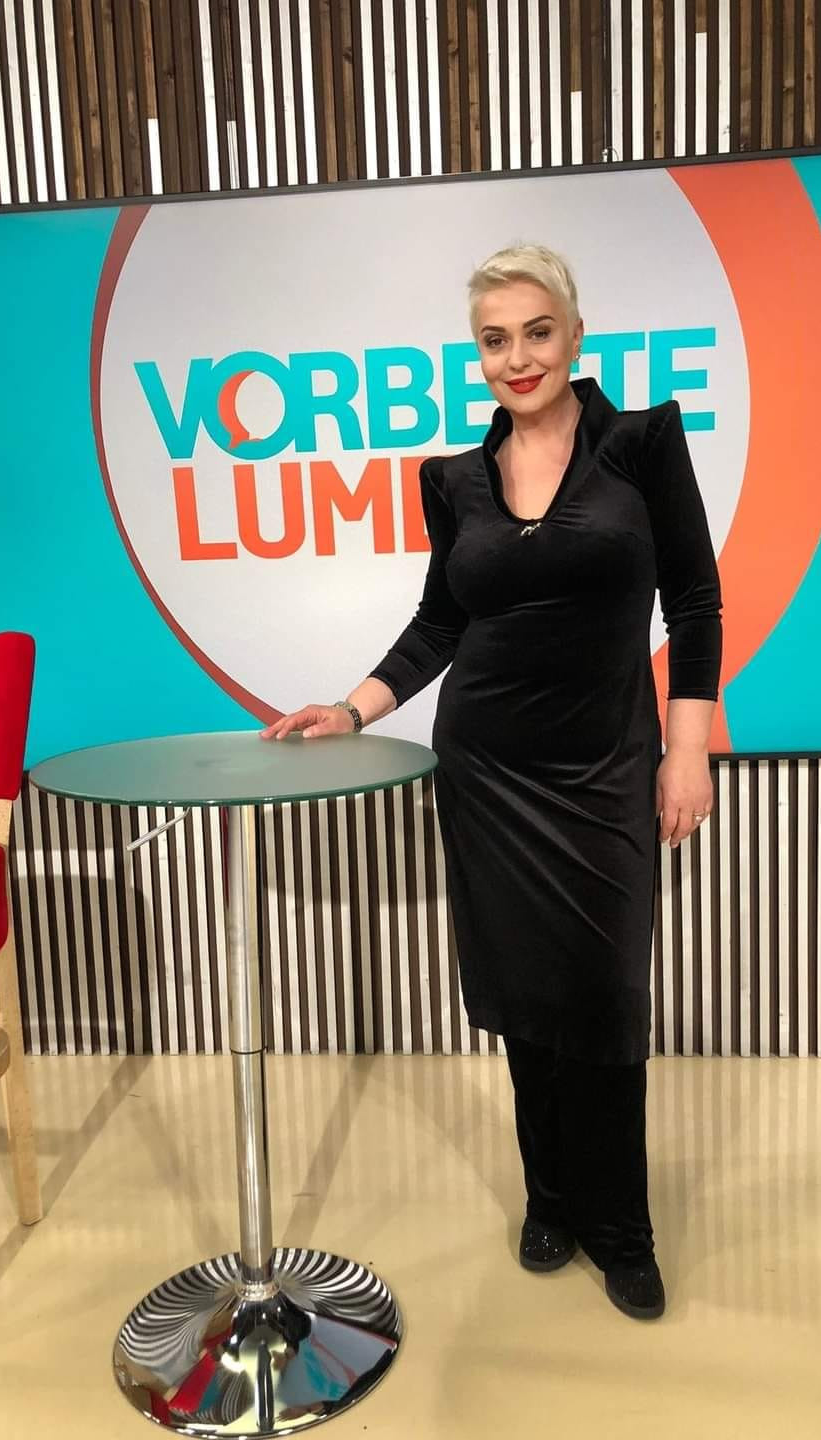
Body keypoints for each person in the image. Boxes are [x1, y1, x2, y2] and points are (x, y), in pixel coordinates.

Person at [260, 243, 723, 1321]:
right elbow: (442, 620)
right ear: (478, 354)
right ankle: (549, 1198)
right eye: (495, 340)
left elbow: (695, 602)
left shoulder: (643, 444)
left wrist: (686, 747)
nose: (519, 357)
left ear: (575, 332)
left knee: (605, 998)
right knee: (525, 999)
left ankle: (623, 1227)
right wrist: (353, 707)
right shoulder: (455, 479)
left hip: (606, 766)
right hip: (489, 770)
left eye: (537, 331)